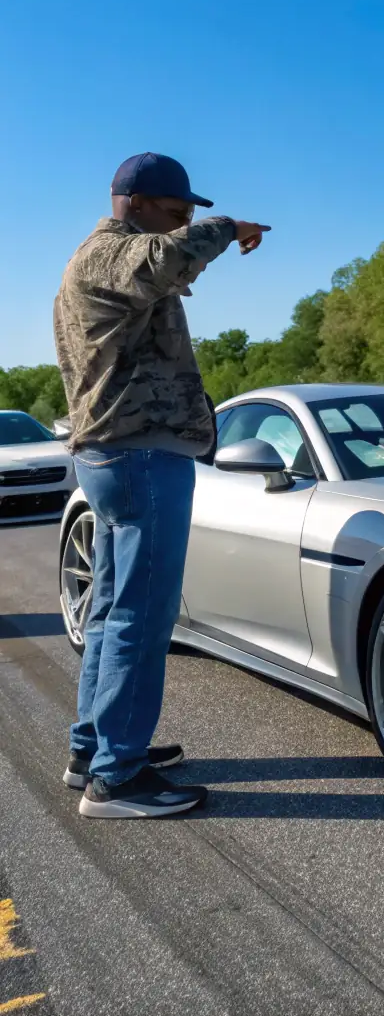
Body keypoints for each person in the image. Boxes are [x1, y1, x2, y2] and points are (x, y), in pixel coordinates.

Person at [53, 153, 271, 818]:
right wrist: (228, 227)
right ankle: (118, 777)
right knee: (140, 618)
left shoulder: (97, 260)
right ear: (137, 203)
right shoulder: (113, 254)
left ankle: (93, 748)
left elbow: (163, 264)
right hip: (140, 455)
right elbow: (162, 262)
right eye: (179, 214)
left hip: (116, 455)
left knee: (114, 606)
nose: (185, 225)